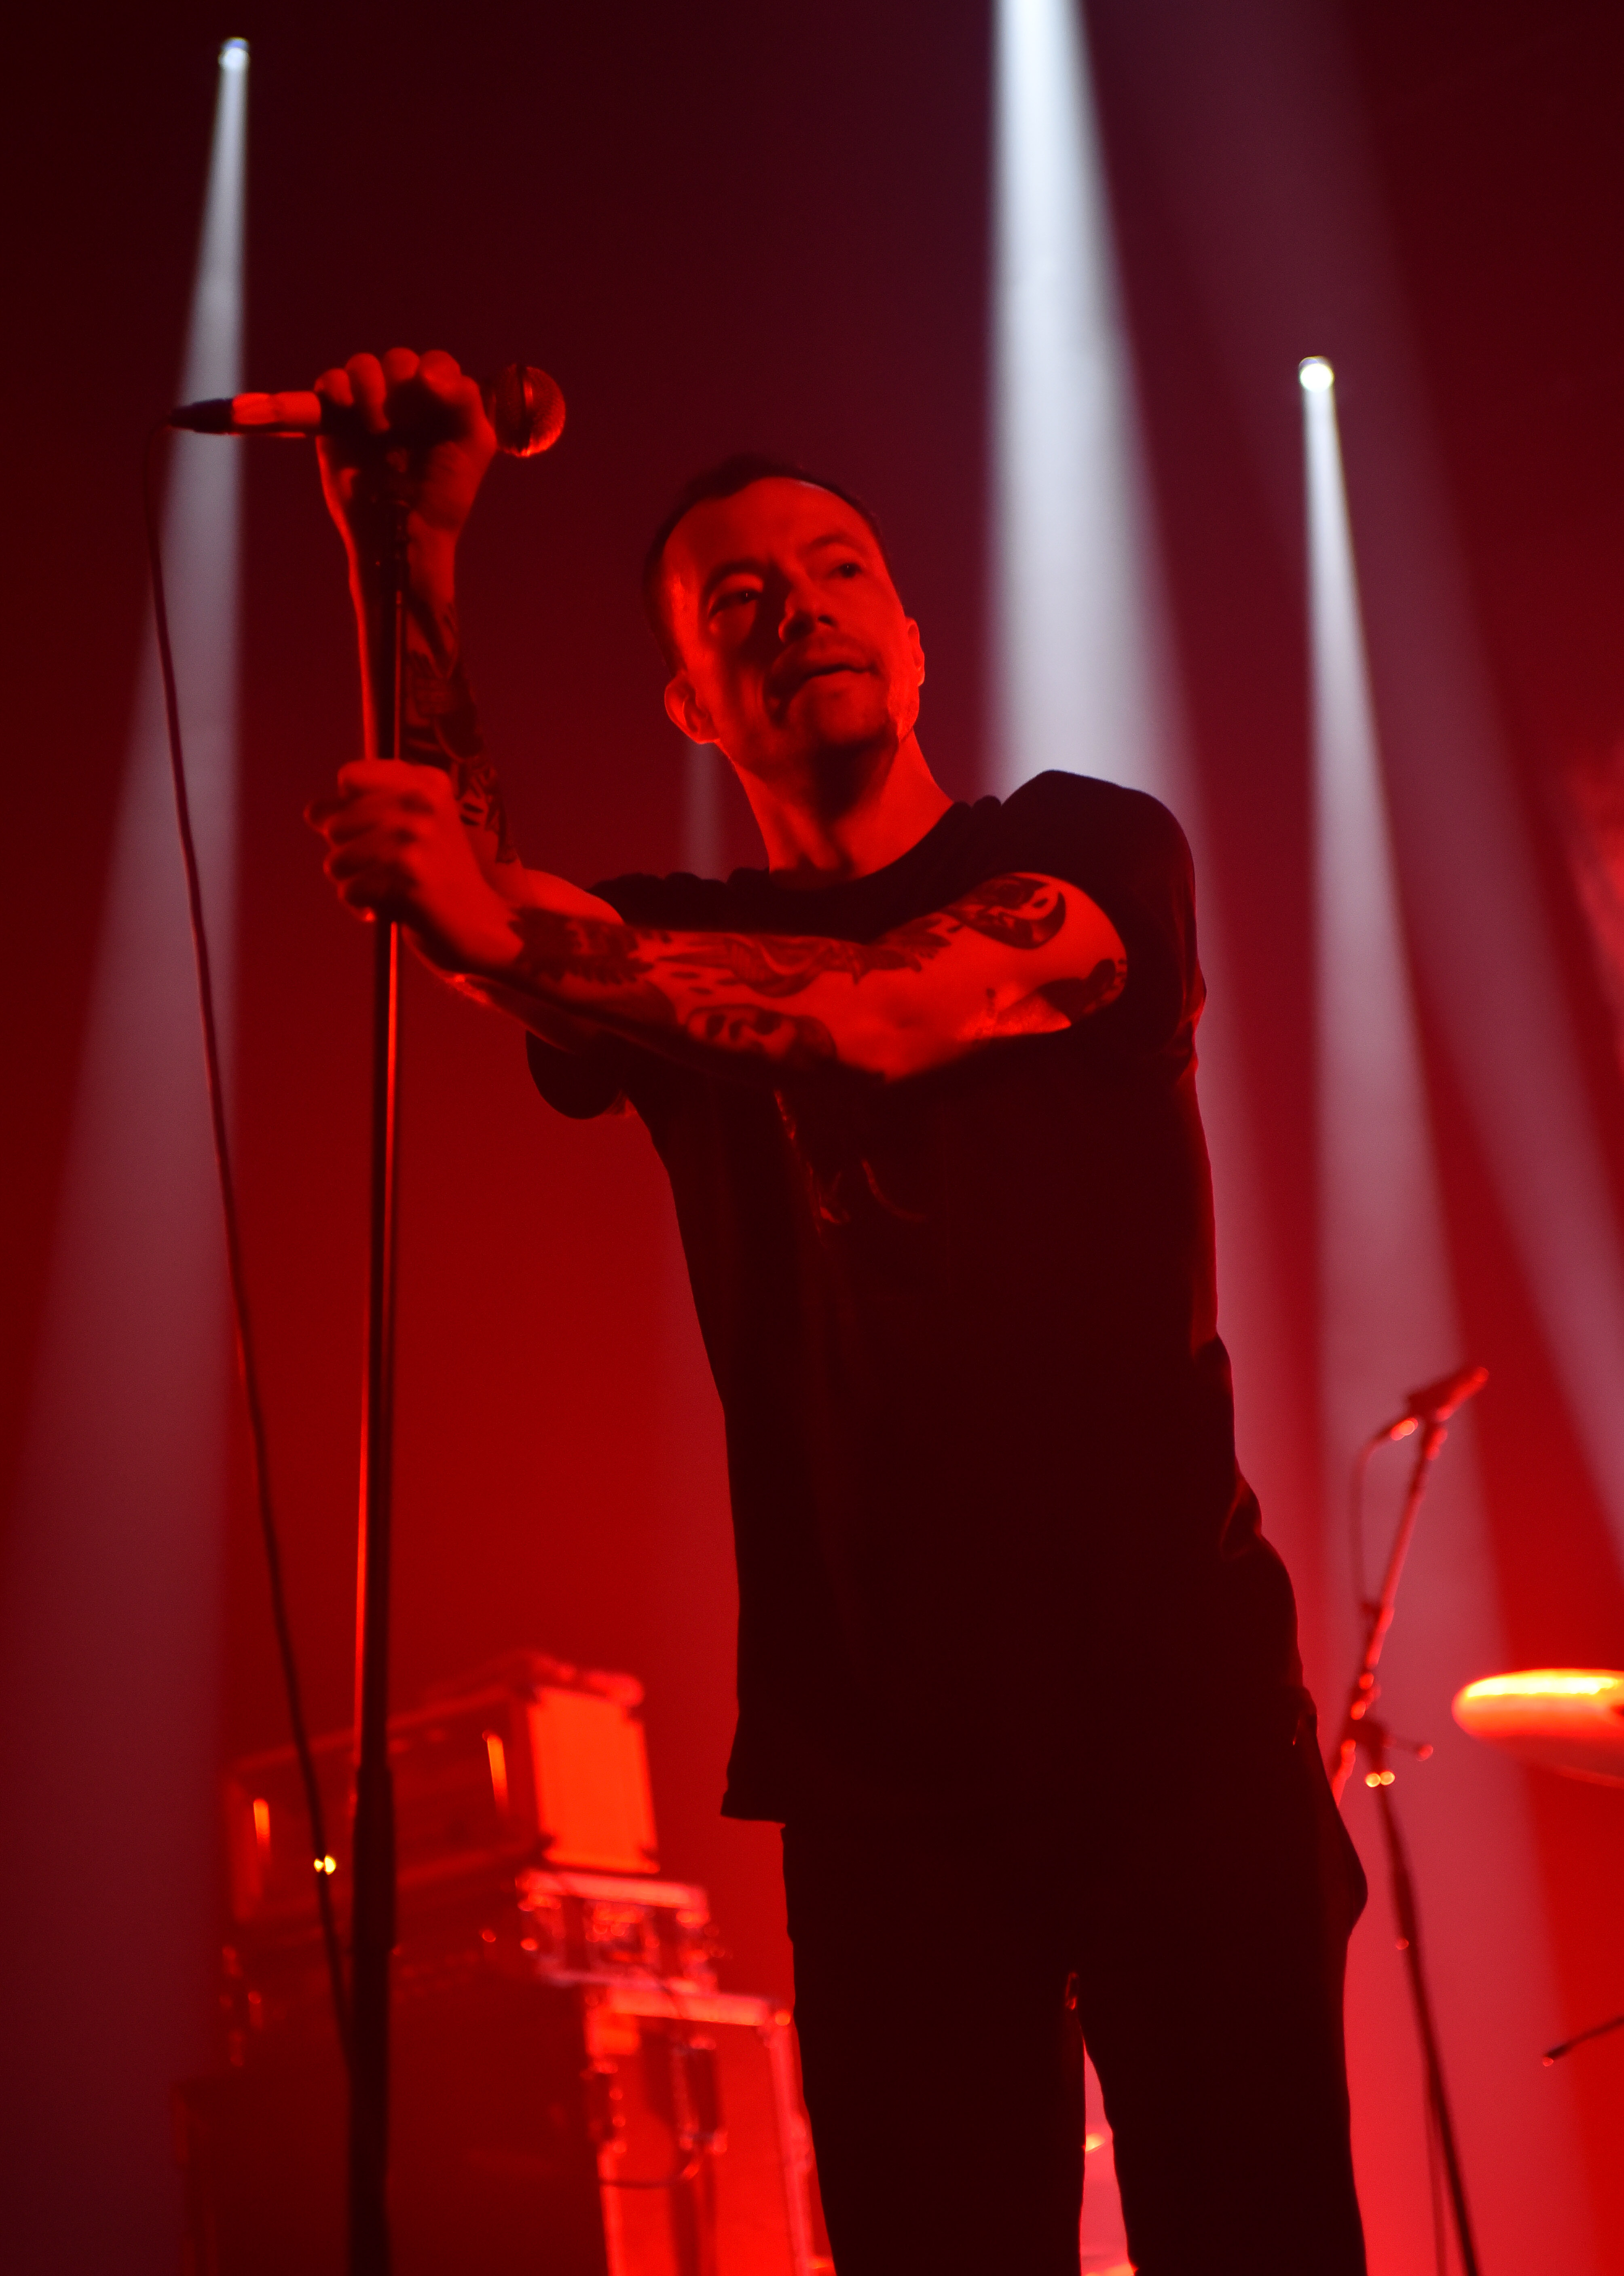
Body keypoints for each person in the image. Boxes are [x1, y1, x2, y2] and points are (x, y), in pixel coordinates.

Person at [307, 345, 1368, 2274]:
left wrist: (491, 927)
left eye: (835, 570)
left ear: (913, 636)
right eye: (736, 599)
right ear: (688, 701)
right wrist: (416, 552)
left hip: (1175, 1716)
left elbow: (881, 1017)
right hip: (882, 1773)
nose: (795, 606)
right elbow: (481, 902)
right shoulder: (667, 935)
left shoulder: (1088, 851)